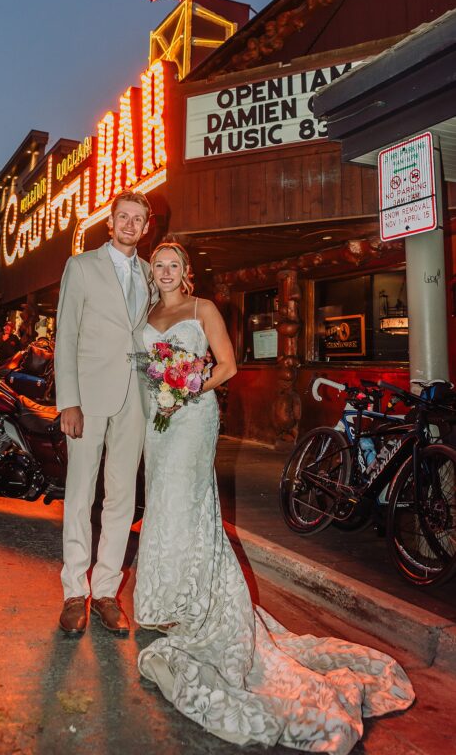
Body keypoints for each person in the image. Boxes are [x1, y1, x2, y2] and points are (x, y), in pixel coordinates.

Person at [133, 241, 414, 755]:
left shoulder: (203, 310)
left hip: (192, 419)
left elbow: (228, 366)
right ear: (152, 272)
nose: (167, 272)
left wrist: (187, 387)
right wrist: (158, 392)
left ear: (186, 272)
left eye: (174, 265)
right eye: (159, 266)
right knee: (161, 503)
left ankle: (197, 602)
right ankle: (165, 598)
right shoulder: (148, 311)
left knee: (187, 505)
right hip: (158, 423)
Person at [54, 189, 152, 636]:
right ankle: (75, 591)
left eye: (138, 219)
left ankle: (107, 591)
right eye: (123, 217)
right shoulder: (81, 267)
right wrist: (68, 401)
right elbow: (66, 337)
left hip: (135, 397)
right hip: (88, 397)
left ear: (147, 227)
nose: (130, 225)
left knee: (122, 498)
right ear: (109, 222)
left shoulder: (152, 274)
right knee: (79, 494)